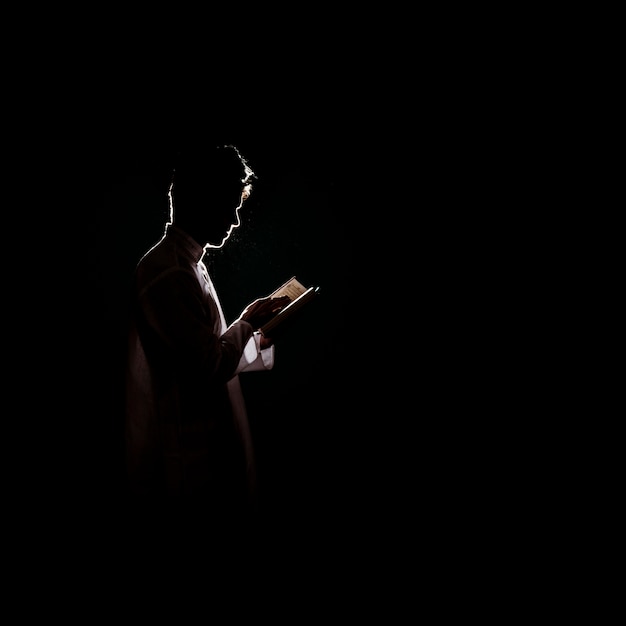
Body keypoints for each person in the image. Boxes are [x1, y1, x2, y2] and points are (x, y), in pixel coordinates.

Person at [124, 143, 289, 515]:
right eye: (231, 205)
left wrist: (260, 330)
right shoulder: (167, 272)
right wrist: (247, 321)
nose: (234, 221)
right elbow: (209, 367)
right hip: (193, 468)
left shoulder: (186, 262)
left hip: (211, 460)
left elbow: (206, 352)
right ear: (202, 198)